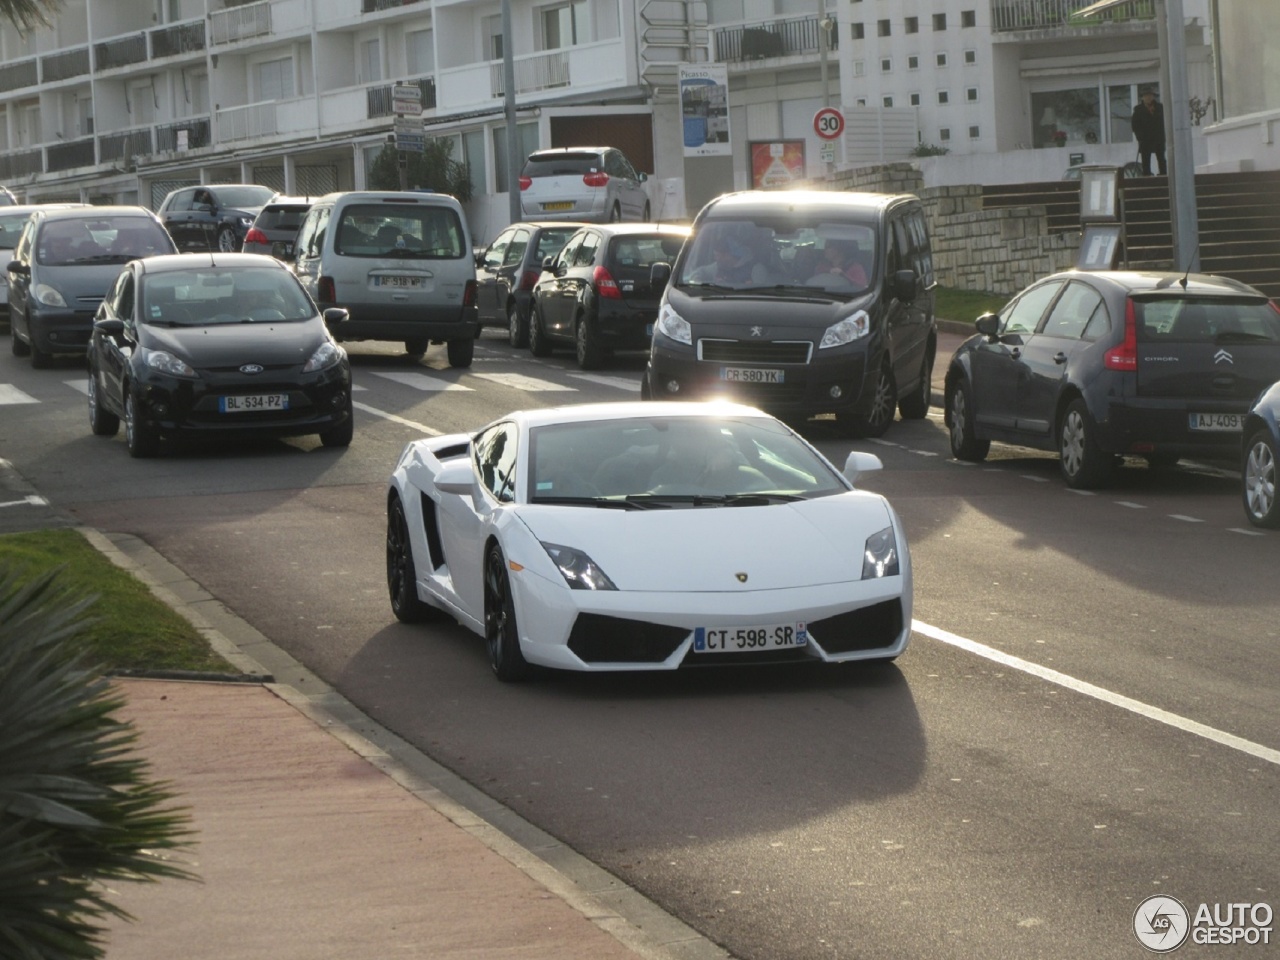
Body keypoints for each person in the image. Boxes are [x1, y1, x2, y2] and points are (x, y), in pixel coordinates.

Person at [689, 234, 771, 286]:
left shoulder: (756, 269)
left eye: (718, 256)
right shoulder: (718, 266)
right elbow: (699, 272)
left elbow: (760, 295)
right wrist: (697, 280)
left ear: (729, 255)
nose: (716, 259)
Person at [1130, 87, 1167, 176]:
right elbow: (1135, 125)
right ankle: (1146, 174)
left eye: (1150, 95)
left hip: (1158, 137)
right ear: (1142, 98)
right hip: (1145, 138)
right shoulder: (1138, 110)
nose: (1148, 98)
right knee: (1146, 158)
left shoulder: (1160, 108)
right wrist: (1139, 137)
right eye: (1146, 96)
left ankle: (1163, 174)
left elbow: (1165, 122)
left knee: (1161, 157)